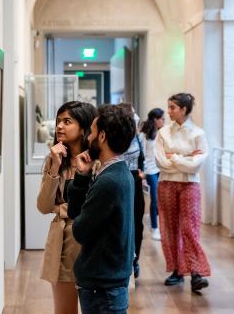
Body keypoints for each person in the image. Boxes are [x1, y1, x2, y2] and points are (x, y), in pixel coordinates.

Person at [66, 104, 136, 314]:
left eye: (93, 131)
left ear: (102, 137)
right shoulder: (118, 172)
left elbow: (79, 229)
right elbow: (75, 214)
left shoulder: (110, 181)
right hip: (105, 282)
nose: (88, 137)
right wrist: (82, 176)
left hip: (103, 286)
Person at [36, 101, 97, 314]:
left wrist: (62, 208)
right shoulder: (53, 160)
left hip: (91, 242)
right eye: (58, 121)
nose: (60, 126)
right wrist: (54, 165)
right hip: (61, 241)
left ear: (83, 128)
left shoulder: (97, 162)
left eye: (67, 121)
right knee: (63, 311)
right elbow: (44, 206)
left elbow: (95, 207)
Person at [154, 93, 210, 293]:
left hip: (189, 185)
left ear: (184, 109)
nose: (168, 111)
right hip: (166, 183)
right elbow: (161, 162)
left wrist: (175, 158)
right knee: (169, 228)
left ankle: (196, 272)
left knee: (190, 228)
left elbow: (195, 166)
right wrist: (186, 157)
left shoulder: (198, 134)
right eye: (168, 107)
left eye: (172, 108)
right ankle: (177, 271)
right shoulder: (163, 133)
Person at [119, 102, 146, 278]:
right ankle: (123, 261)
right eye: (133, 114)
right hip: (121, 181)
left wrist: (141, 173)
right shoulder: (117, 137)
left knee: (137, 224)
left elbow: (142, 159)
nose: (137, 117)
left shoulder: (138, 136)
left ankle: (134, 261)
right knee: (121, 224)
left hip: (136, 182)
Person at [139, 108, 165, 240]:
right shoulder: (144, 135)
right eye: (162, 118)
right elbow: (140, 153)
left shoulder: (162, 133)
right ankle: (154, 228)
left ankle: (153, 217)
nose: (164, 121)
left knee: (161, 199)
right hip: (150, 170)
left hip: (162, 169)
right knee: (155, 198)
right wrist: (141, 171)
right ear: (155, 119)